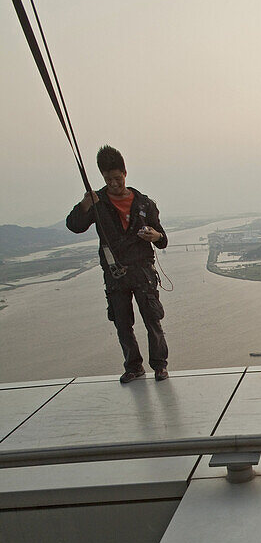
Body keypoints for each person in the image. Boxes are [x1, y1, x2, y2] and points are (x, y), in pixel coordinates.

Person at [66, 145, 170, 383]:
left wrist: (156, 236)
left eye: (116, 178)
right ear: (102, 176)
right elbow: (74, 225)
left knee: (152, 319)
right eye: (108, 179)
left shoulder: (144, 204)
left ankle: (160, 366)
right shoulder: (97, 203)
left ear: (125, 173)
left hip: (142, 270)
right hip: (115, 273)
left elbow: (162, 239)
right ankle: (133, 367)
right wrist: (84, 205)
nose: (113, 183)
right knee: (123, 323)